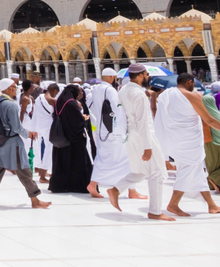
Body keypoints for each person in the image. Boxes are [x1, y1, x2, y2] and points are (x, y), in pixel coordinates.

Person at [156, 72, 220, 216]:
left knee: (197, 172)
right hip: (189, 140)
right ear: (190, 82)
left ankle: (211, 205)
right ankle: (173, 204)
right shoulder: (192, 96)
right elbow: (208, 119)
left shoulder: (166, 95)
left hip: (177, 139)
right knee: (187, 170)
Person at [106, 63, 173, 220]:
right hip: (143, 135)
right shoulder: (139, 94)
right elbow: (143, 121)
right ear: (141, 75)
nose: (148, 77)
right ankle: (155, 212)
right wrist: (147, 146)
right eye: (147, 74)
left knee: (142, 171)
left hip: (131, 134)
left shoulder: (124, 90)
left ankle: (116, 190)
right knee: (156, 173)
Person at [0, 79, 51, 209]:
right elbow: (16, 127)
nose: (16, 89)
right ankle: (35, 200)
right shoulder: (11, 105)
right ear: (9, 88)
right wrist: (29, 133)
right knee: (24, 171)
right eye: (14, 87)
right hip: (12, 143)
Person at [86, 69, 139, 200]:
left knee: (102, 157)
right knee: (128, 158)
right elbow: (117, 110)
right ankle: (131, 190)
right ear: (112, 77)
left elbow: (91, 106)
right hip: (114, 131)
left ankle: (93, 184)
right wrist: (123, 129)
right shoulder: (110, 90)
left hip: (101, 130)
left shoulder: (95, 89)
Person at [48, 84, 93, 194]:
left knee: (62, 162)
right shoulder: (71, 103)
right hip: (72, 139)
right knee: (78, 162)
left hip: (61, 137)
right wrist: (83, 117)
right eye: (80, 91)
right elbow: (76, 121)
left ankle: (61, 185)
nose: (81, 93)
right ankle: (78, 185)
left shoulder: (59, 101)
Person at [29, 83, 58, 182]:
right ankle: (42, 176)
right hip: (48, 127)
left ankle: (41, 170)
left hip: (37, 126)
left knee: (38, 148)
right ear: (54, 91)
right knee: (49, 149)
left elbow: (35, 113)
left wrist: (33, 128)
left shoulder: (39, 97)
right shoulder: (53, 101)